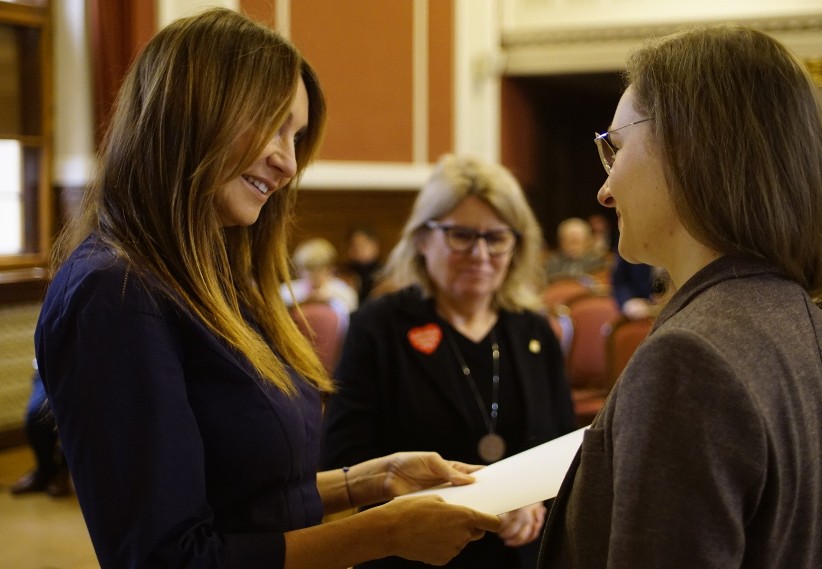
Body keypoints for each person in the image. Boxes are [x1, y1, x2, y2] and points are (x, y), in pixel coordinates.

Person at [34, 9, 500, 569]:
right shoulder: (116, 293)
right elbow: (166, 558)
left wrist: (370, 480)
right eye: (272, 125)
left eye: (297, 136)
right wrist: (387, 532)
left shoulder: (210, 277)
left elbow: (246, 499)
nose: (288, 161)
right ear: (192, 113)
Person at [538, 25, 822, 568]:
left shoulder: (690, 359)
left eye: (615, 148)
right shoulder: (817, 329)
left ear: (689, 150)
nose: (605, 190)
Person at [321, 154, 576, 569]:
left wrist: (535, 502)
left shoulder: (533, 331)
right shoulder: (377, 327)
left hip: (521, 556)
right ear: (422, 239)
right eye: (461, 235)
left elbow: (562, 449)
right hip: (411, 557)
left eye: (497, 237)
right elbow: (345, 459)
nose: (480, 253)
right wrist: (492, 501)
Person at [9, 366, 70, 498]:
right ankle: (46, 471)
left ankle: (64, 470)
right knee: (35, 417)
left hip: (87, 370)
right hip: (48, 368)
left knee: (74, 420)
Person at [282, 237, 359, 332]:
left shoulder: (343, 291)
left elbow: (350, 321)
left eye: (319, 269)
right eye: (308, 269)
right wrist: (305, 301)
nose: (313, 275)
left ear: (330, 269)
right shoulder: (287, 290)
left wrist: (330, 301)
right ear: (298, 270)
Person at [543, 217, 608, 284]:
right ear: (561, 242)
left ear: (587, 241)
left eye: (577, 241)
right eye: (569, 241)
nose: (573, 246)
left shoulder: (597, 262)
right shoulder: (553, 262)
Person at [343, 225, 384, 304]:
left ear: (374, 246)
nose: (357, 250)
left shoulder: (384, 273)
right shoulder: (345, 273)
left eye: (362, 245)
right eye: (353, 245)